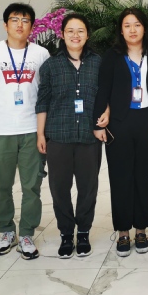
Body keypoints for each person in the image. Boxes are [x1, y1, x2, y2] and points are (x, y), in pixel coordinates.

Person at [0, 3, 51, 259]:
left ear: (32, 26)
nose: (20, 24)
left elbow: (46, 91)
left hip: (32, 130)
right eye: (15, 19)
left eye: (25, 20)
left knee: (32, 185)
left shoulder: (41, 54)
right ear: (5, 24)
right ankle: (6, 231)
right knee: (1, 185)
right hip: (1, 131)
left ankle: (27, 233)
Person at [93, 8, 148, 257]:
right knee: (120, 176)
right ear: (121, 30)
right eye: (127, 25)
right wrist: (98, 122)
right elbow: (103, 89)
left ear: (144, 28)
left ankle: (141, 228)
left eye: (137, 25)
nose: (132, 30)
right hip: (119, 123)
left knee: (146, 176)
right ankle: (123, 230)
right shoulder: (112, 56)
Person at [35, 13, 107, 259]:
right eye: (70, 31)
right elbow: (42, 101)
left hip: (89, 135)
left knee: (88, 187)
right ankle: (66, 233)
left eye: (80, 31)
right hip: (58, 135)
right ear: (62, 34)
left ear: (87, 35)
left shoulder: (98, 63)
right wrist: (40, 133)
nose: (75, 35)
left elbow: (106, 95)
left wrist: (106, 113)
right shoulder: (51, 65)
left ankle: (83, 232)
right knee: (59, 188)